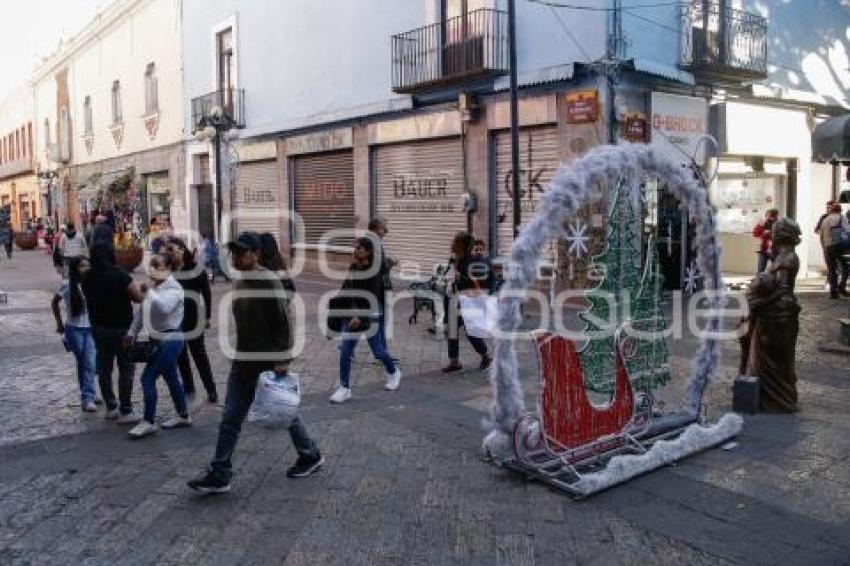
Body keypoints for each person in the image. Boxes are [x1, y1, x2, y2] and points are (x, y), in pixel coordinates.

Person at [188, 232, 323, 494]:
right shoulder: (241, 280)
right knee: (230, 419)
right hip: (243, 361)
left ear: (256, 253)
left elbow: (284, 321)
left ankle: (311, 455)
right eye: (234, 252)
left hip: (267, 362)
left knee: (284, 412)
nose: (236, 257)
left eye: (242, 252)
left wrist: (283, 359)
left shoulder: (268, 281)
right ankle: (221, 472)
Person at [328, 236, 402, 404]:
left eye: (360, 248)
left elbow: (372, 297)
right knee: (346, 351)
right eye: (355, 247)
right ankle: (344, 388)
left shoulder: (374, 271)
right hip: (352, 314)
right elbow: (347, 289)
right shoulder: (354, 267)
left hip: (370, 315)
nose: (356, 250)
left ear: (368, 252)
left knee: (378, 351)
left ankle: (393, 372)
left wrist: (360, 316)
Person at [126, 253, 192, 438]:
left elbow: (164, 308)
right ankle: (183, 415)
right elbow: (141, 312)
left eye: (158, 266)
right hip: (156, 340)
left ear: (169, 268)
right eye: (152, 266)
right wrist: (132, 332)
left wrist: (149, 291)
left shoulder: (175, 289)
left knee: (147, 378)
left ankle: (148, 421)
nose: (154, 270)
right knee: (171, 378)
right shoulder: (155, 287)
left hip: (171, 340)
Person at [82, 243, 145, 422]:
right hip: (121, 328)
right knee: (126, 369)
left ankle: (111, 406)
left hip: (98, 328)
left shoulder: (87, 277)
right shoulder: (120, 276)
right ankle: (126, 409)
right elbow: (137, 297)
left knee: (104, 368)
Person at [166, 238, 218, 403]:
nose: (169, 254)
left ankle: (211, 389)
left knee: (200, 356)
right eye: (167, 251)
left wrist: (208, 316)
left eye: (171, 249)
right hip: (175, 321)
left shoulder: (195, 269)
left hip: (193, 319)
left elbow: (206, 293)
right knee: (181, 356)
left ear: (181, 249)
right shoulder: (169, 271)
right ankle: (188, 387)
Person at [51, 257, 98, 412]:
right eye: (82, 266)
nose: (86, 268)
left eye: (88, 265)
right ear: (75, 268)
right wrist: (59, 324)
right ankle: (88, 393)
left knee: (89, 362)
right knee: (83, 362)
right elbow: (54, 302)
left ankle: (88, 396)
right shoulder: (67, 285)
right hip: (74, 329)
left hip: (90, 329)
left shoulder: (92, 284)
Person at [442, 232, 493, 373]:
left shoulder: (472, 261)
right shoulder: (457, 258)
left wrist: (460, 279)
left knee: (470, 330)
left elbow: (481, 281)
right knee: (452, 329)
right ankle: (455, 361)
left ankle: (486, 356)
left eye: (455, 242)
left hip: (467, 301)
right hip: (455, 299)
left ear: (461, 245)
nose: (451, 244)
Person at [367, 217, 395, 354]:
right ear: (375, 229)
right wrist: (388, 264)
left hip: (376, 288)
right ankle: (381, 353)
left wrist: (387, 262)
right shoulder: (371, 244)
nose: (387, 231)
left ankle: (347, 347)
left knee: (375, 320)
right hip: (375, 289)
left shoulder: (372, 242)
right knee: (377, 321)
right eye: (384, 228)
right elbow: (377, 268)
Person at [816, 203, 850, 298]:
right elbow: (848, 231)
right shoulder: (841, 218)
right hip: (839, 246)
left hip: (827, 247)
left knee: (832, 269)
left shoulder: (825, 220)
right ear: (840, 210)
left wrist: (824, 247)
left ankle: (833, 292)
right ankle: (841, 287)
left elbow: (821, 235)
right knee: (846, 267)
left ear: (831, 210)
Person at [752, 208, 778, 273]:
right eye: (767, 215)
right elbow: (755, 233)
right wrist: (763, 232)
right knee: (761, 269)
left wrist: (771, 233)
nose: (768, 218)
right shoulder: (762, 223)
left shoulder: (778, 224)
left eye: (770, 216)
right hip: (763, 249)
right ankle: (760, 281)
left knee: (775, 269)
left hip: (774, 250)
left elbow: (779, 236)